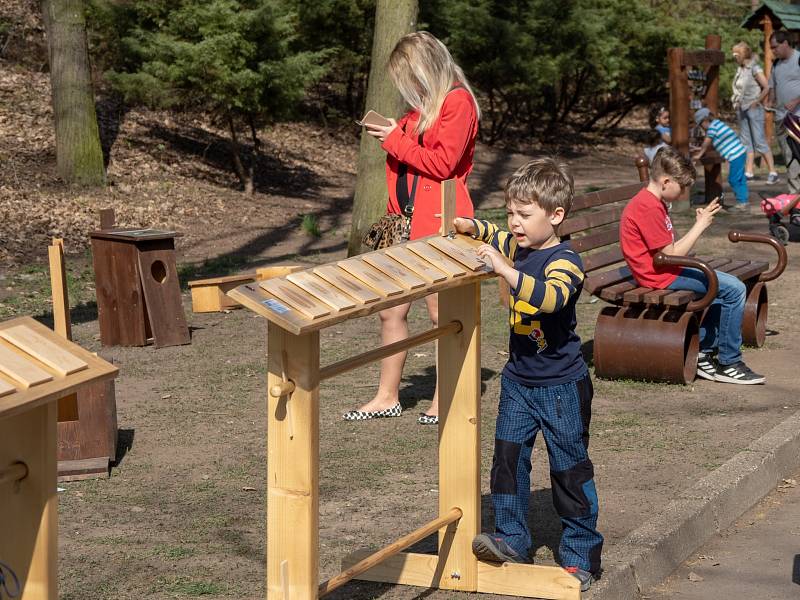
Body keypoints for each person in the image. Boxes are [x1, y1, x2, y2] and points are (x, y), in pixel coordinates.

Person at [452, 158, 603, 592]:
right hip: (518, 382)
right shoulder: (517, 244)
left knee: (569, 471)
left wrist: (504, 270)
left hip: (561, 387)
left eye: (525, 215)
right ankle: (512, 537)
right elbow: (492, 234)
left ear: (555, 216)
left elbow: (552, 299)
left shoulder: (566, 261)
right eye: (510, 213)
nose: (514, 224)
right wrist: (470, 225)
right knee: (507, 462)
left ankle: (581, 555)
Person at [342, 31, 480, 424]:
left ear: (426, 67)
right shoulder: (420, 110)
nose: (408, 86)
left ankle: (445, 397)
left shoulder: (458, 102)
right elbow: (412, 158)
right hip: (400, 223)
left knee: (441, 316)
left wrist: (394, 140)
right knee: (390, 312)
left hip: (438, 226)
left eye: (409, 76)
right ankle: (387, 396)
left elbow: (443, 165)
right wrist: (396, 131)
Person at [620, 146, 765, 384]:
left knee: (721, 292)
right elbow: (672, 254)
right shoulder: (647, 207)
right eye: (682, 186)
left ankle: (704, 352)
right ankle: (729, 363)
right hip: (659, 276)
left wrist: (698, 221)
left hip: (665, 269)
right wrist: (701, 225)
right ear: (666, 181)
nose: (684, 192)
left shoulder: (653, 202)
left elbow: (668, 250)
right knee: (735, 289)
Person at [731, 42, 778, 183]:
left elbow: (767, 86)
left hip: (754, 109)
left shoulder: (754, 68)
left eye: (736, 54)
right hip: (742, 108)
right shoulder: (741, 69)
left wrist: (756, 101)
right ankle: (749, 172)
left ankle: (773, 172)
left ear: (743, 54)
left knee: (759, 141)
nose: (734, 57)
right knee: (746, 142)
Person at [692, 107, 750, 211]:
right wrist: (699, 148)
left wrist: (699, 154)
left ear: (704, 121)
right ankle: (744, 201)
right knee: (740, 179)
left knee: (733, 179)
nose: (702, 128)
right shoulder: (717, 124)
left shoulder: (712, 128)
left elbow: (707, 142)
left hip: (735, 155)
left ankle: (742, 203)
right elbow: (716, 143)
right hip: (740, 153)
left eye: (701, 125)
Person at [767, 30, 800, 193]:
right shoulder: (776, 64)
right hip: (781, 119)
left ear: (785, 43)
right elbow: (772, 86)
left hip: (797, 119)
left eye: (775, 47)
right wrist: (770, 100)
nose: (773, 50)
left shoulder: (798, 59)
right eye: (771, 48)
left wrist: (796, 100)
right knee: (790, 159)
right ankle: (795, 200)